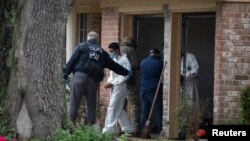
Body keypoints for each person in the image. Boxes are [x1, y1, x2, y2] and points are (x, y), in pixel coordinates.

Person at [63, 31, 132, 125]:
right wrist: (126, 72)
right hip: (93, 81)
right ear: (98, 40)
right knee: (91, 106)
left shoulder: (82, 46)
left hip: (79, 77)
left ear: (88, 39)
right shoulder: (103, 52)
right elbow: (114, 66)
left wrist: (65, 74)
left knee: (74, 103)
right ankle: (90, 131)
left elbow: (72, 61)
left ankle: (69, 128)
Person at [102, 42, 135, 135]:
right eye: (109, 51)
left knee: (112, 107)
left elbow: (126, 75)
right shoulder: (114, 60)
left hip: (120, 86)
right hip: (114, 85)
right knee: (118, 108)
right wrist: (109, 81)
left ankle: (108, 130)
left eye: (112, 51)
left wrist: (112, 83)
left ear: (117, 50)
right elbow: (112, 74)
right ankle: (128, 128)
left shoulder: (124, 60)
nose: (110, 53)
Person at [120, 37, 140, 134]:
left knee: (120, 105)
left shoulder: (118, 50)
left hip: (118, 82)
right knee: (133, 106)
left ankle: (120, 128)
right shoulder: (131, 50)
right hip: (129, 82)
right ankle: (135, 129)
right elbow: (136, 64)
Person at [140, 48, 163, 134]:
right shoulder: (159, 62)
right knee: (158, 111)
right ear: (157, 54)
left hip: (143, 90)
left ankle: (143, 131)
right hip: (154, 90)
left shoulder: (143, 62)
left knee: (144, 111)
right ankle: (161, 131)